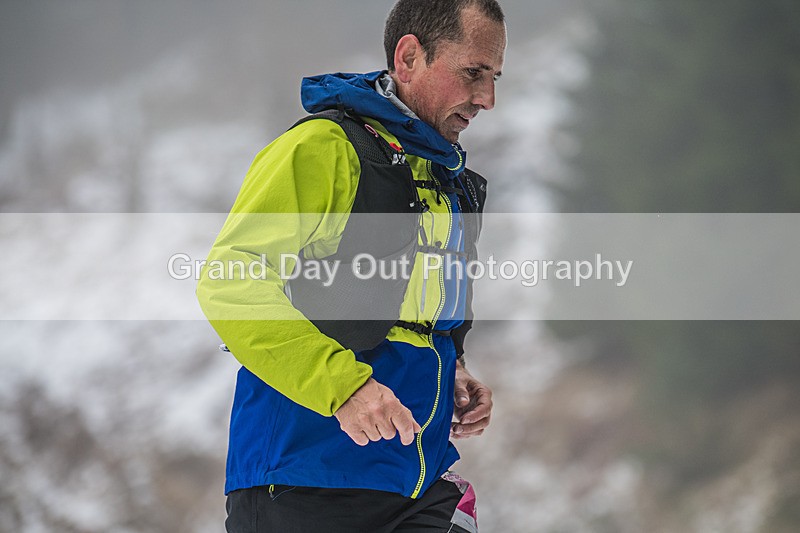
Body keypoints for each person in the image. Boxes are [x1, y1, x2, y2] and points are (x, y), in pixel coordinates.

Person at [196, 0, 506, 531]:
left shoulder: (445, 180)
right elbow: (231, 280)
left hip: (417, 481)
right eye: (473, 73)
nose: (487, 99)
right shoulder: (323, 149)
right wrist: (343, 387)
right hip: (305, 478)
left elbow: (411, 308)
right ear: (408, 57)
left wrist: (451, 365)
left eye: (495, 76)